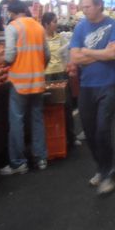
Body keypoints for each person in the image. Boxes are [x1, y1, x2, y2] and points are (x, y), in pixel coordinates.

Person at [69, 0, 115, 195]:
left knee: (103, 129)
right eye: (82, 7)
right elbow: (74, 57)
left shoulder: (114, 26)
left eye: (88, 6)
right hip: (86, 86)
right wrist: (101, 55)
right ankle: (101, 167)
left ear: (99, 5)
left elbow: (114, 53)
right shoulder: (80, 27)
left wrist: (87, 52)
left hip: (108, 84)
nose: (84, 10)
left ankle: (108, 172)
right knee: (90, 132)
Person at [1, 0, 50, 175]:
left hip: (19, 82)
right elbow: (47, 54)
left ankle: (18, 163)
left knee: (17, 121)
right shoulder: (38, 27)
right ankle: (41, 158)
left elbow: (9, 56)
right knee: (37, 119)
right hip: (37, 80)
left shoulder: (13, 27)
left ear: (12, 13)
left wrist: (1, 60)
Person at [43, 11, 79, 148]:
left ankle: (71, 137)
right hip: (47, 76)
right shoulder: (41, 40)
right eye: (54, 22)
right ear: (46, 24)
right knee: (50, 109)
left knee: (67, 105)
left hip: (61, 74)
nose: (56, 24)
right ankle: (53, 140)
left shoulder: (60, 38)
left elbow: (67, 55)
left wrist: (69, 68)